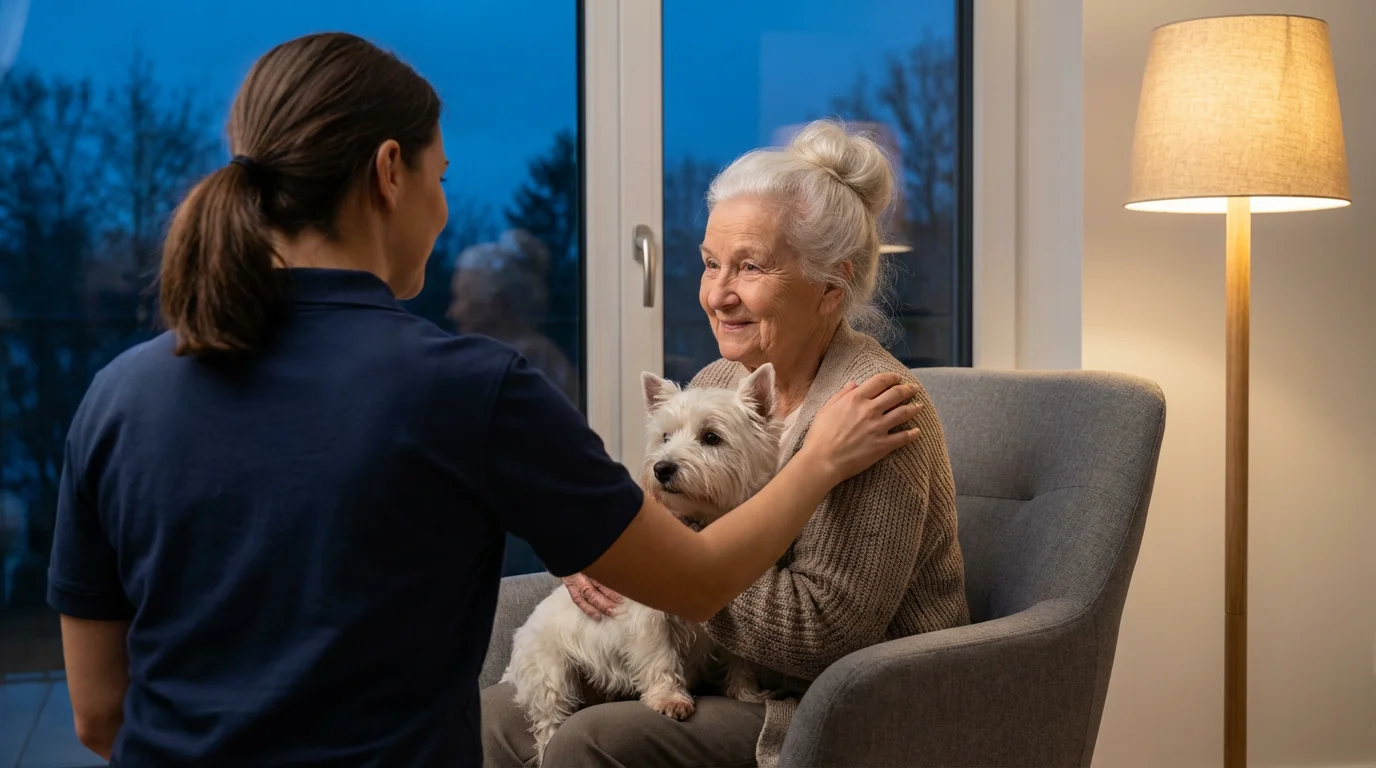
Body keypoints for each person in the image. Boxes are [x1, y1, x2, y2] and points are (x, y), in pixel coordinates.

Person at [46, 34, 923, 768]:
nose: (442, 206)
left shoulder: (116, 396)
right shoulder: (473, 387)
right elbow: (691, 582)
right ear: (389, 172)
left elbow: (96, 712)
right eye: (442, 175)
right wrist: (809, 468)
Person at [482, 119, 970, 768]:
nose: (718, 294)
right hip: (718, 671)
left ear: (832, 288)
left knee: (589, 745)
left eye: (751, 266)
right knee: (490, 718)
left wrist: (675, 566)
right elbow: (660, 515)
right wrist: (608, 557)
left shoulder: (876, 414)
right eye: (711, 264)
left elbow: (818, 637)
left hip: (830, 701)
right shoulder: (721, 381)